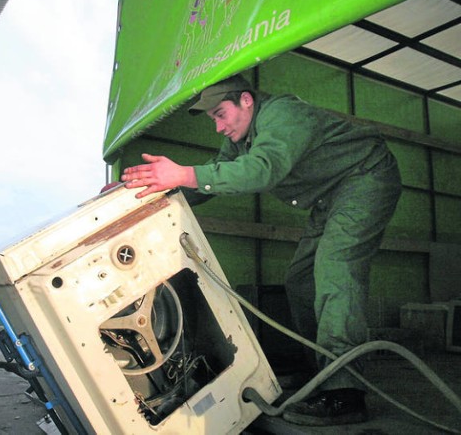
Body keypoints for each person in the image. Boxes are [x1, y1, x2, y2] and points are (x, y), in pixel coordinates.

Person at [121, 74, 402, 426]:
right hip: (330, 196)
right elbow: (211, 182)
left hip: (366, 178)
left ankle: (346, 392)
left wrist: (184, 174)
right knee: (300, 281)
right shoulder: (240, 139)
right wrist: (143, 192)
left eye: (222, 114)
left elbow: (261, 170)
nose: (219, 127)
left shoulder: (282, 114)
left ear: (247, 101)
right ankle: (319, 370)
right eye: (213, 120)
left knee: (335, 268)